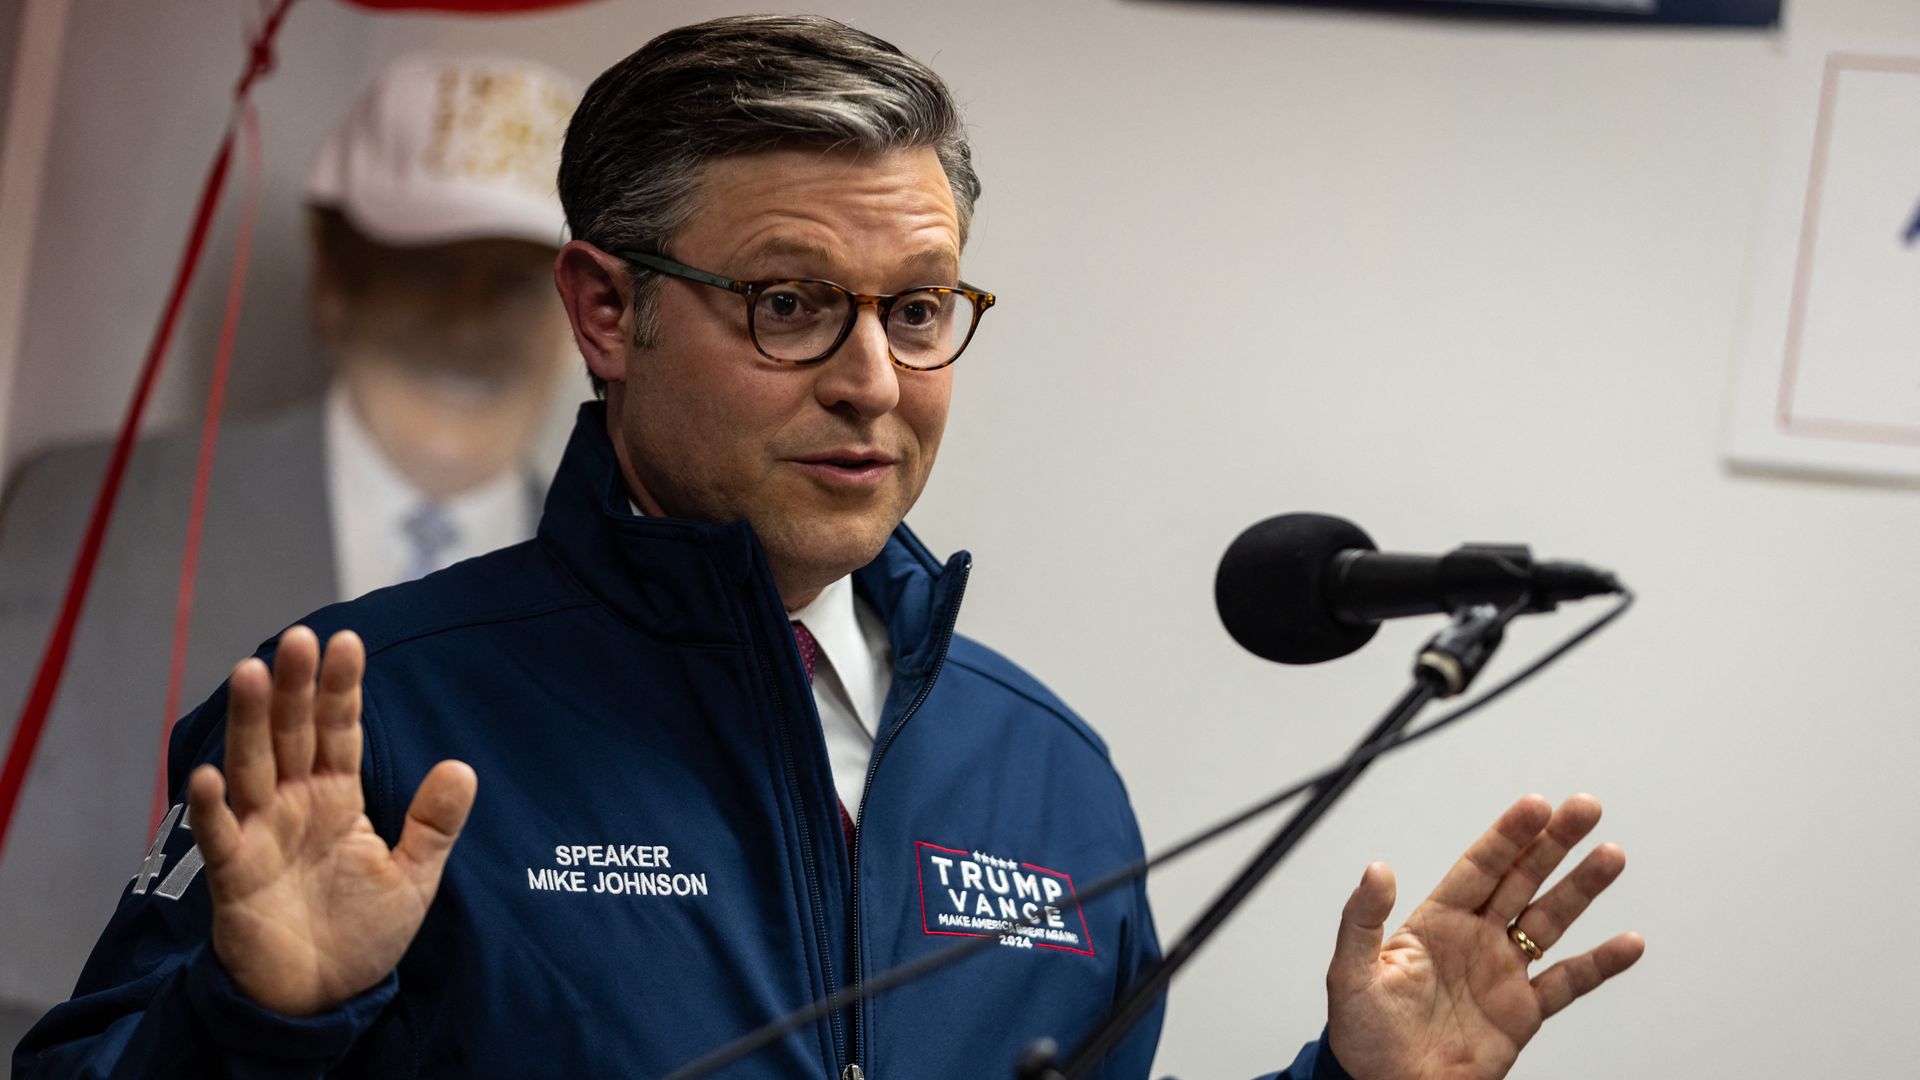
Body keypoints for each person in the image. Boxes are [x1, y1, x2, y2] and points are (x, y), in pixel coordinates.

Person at [12, 16, 1643, 1078]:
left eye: (920, 310)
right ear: (606, 309)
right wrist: (258, 1023)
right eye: (790, 304)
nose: (873, 380)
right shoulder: (365, 725)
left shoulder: (1049, 773)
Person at [0, 52, 579, 1041]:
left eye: (515, 284)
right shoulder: (89, 510)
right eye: (425, 268)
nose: (468, 325)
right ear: (334, 278)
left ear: (590, 317)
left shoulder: (630, 601)